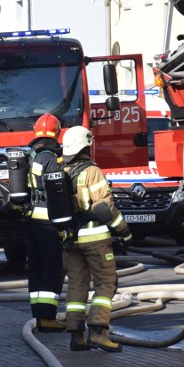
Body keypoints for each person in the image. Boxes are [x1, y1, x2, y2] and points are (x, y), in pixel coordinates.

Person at [57, 126, 132, 352]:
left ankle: (76, 335)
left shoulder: (61, 170)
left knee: (77, 286)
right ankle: (99, 332)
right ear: (86, 145)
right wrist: (124, 231)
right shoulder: (91, 171)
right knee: (105, 282)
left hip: (69, 239)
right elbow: (105, 206)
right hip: (95, 238)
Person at [25, 114, 66, 333]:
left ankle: (39, 315)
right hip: (47, 220)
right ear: (57, 133)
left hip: (30, 218)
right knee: (52, 267)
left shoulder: (31, 155)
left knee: (37, 267)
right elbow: (56, 190)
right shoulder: (50, 157)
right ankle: (48, 317)